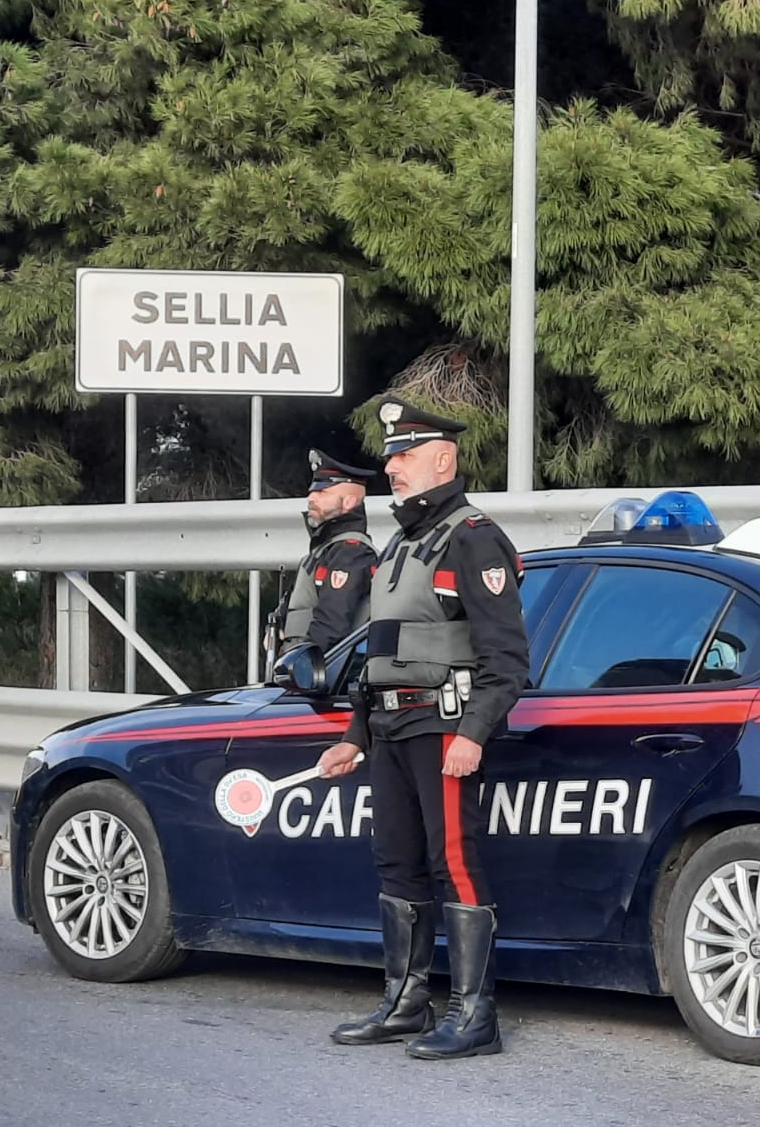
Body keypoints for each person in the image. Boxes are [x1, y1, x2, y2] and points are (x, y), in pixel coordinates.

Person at [318, 397, 529, 1061]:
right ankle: (407, 1002)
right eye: (390, 457)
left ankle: (475, 1014)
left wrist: (474, 732)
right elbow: (378, 652)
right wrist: (355, 733)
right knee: (397, 865)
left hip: (442, 726)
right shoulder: (403, 543)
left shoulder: (474, 537)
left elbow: (507, 659)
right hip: (390, 727)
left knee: (454, 864)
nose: (393, 467)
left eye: (405, 456)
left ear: (445, 458)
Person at [273, 450, 377, 656]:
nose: (311, 498)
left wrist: (303, 666)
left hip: (318, 676)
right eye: (312, 491)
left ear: (349, 502)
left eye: (322, 492)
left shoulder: (351, 552)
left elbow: (331, 626)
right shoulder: (325, 550)